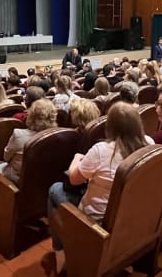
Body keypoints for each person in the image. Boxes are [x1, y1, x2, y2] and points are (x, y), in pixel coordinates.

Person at [47, 102, 154, 275]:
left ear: (109, 126)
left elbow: (74, 179)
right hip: (132, 212)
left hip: (97, 219)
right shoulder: (149, 142)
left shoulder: (101, 150)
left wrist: (77, 158)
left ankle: (61, 251)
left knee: (55, 189)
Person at [0, 99, 57, 190]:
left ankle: (0, 200)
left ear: (31, 115)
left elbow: (6, 157)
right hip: (42, 177)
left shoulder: (18, 134)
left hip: (18, 178)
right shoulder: (56, 135)